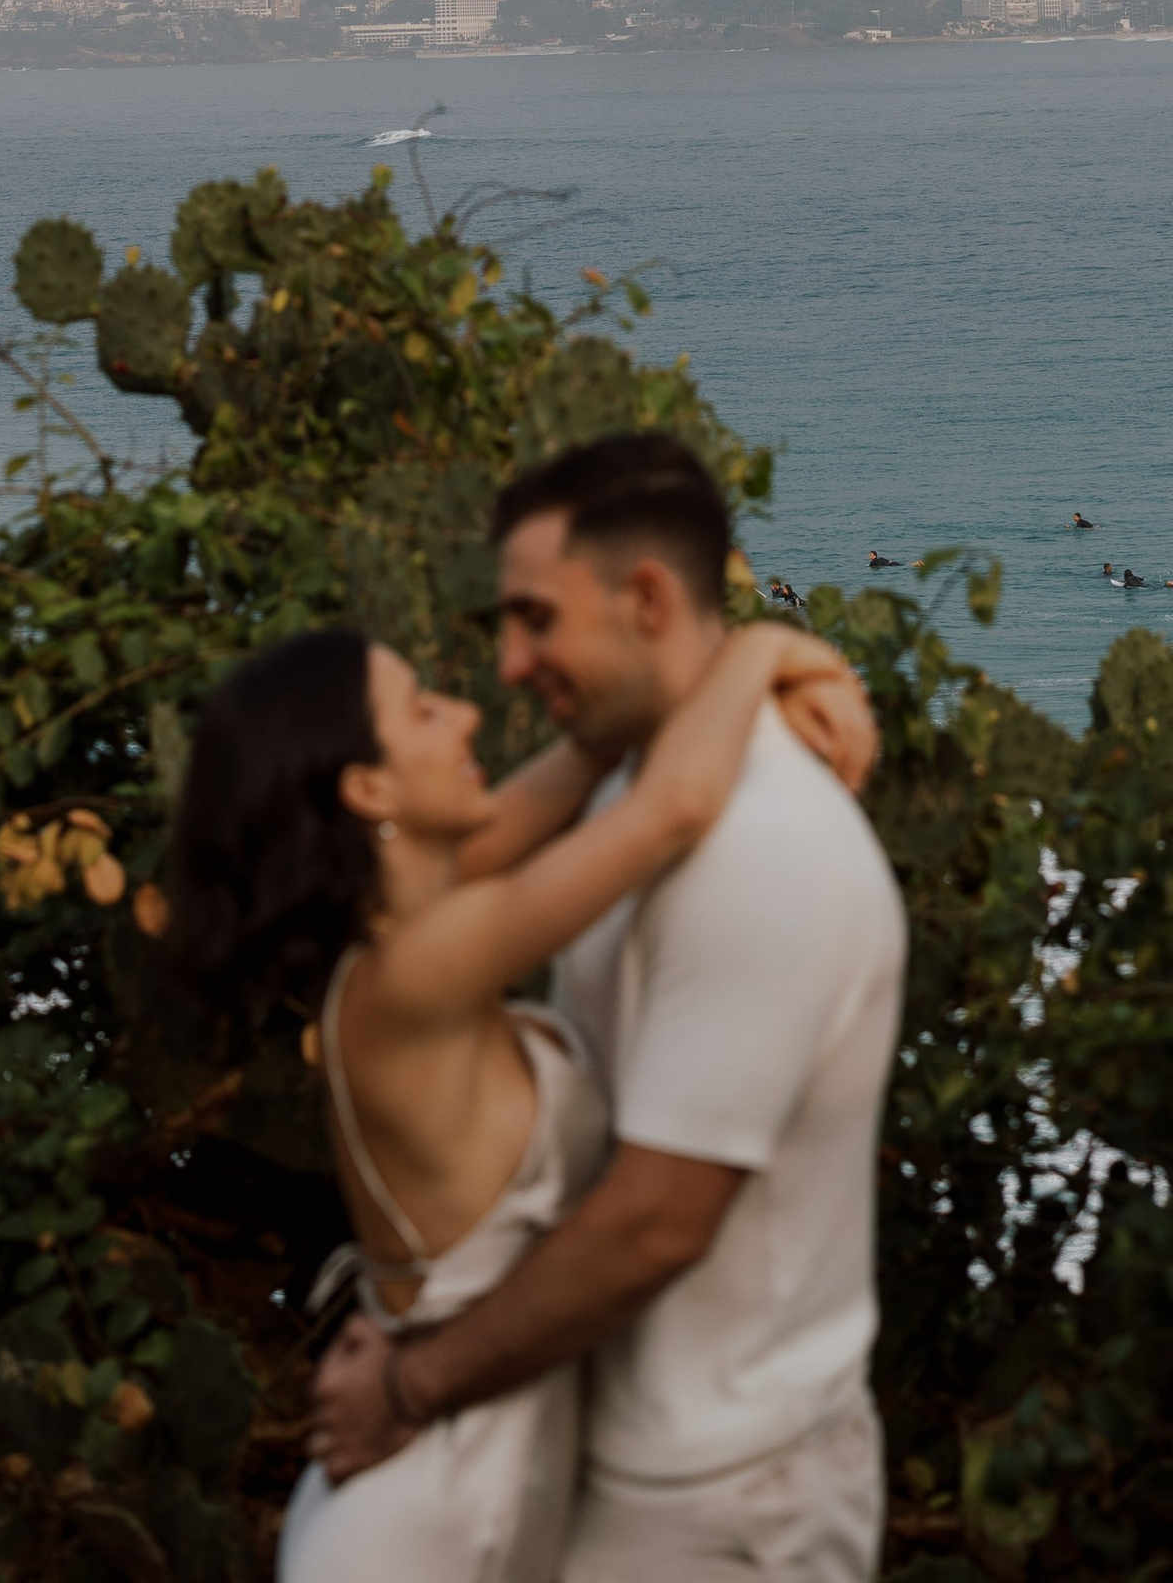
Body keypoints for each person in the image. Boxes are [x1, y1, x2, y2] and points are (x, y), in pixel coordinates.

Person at [166, 585, 874, 1583]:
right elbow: (669, 809)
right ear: (369, 792)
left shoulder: (414, 931)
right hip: (422, 1524)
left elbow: (583, 760)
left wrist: (732, 687)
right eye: (420, 710)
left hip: (469, 1489)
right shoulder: (415, 973)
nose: (462, 713)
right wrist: (758, 650)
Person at [312, 432, 910, 1583]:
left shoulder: (759, 847)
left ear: (644, 598)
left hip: (727, 1497)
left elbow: (656, 1221)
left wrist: (405, 1383)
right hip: (601, 1450)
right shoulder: (626, 791)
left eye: (535, 618)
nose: (506, 669)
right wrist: (765, 650)